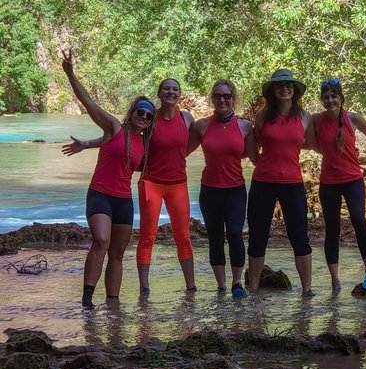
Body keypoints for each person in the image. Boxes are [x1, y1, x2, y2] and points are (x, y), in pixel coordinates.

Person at [61, 49, 155, 307]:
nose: (144, 118)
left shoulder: (144, 144)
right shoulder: (114, 127)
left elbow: (133, 160)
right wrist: (71, 74)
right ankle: (87, 299)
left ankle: (113, 304)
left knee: (118, 252)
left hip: (124, 200)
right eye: (140, 112)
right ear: (132, 113)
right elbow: (88, 102)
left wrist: (88, 144)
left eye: (148, 115)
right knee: (101, 240)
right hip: (100, 194)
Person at [247, 69, 316, 295]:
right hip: (263, 182)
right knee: (258, 236)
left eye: (288, 86)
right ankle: (254, 289)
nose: (284, 89)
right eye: (279, 86)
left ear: (294, 90)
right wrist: (261, 164)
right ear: (273, 91)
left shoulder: (305, 117)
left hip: (293, 182)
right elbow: (254, 144)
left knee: (300, 237)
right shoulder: (262, 116)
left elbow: (313, 143)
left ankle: (307, 290)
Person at [189, 79, 259, 297]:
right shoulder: (201, 125)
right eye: (218, 95)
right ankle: (221, 285)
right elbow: (180, 151)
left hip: (235, 189)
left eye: (226, 96)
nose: (222, 99)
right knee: (215, 237)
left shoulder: (245, 126)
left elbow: (255, 157)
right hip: (209, 190)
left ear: (233, 99)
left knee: (236, 234)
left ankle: (237, 283)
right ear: (213, 98)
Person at [312, 79, 366, 293]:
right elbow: (306, 139)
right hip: (328, 183)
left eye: (334, 96)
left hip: (353, 180)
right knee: (332, 228)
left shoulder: (353, 118)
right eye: (326, 97)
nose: (330, 100)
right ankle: (335, 280)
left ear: (341, 99)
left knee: (358, 220)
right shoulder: (316, 120)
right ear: (322, 101)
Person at [136, 78, 196, 295]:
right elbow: (123, 135)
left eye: (175, 89)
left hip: (178, 184)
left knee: (184, 236)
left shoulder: (187, 118)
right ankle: (144, 286)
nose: (171, 92)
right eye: (166, 89)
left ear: (179, 94)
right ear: (159, 93)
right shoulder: (149, 118)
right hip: (151, 183)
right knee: (147, 237)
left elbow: (200, 140)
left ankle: (191, 286)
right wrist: (88, 144)